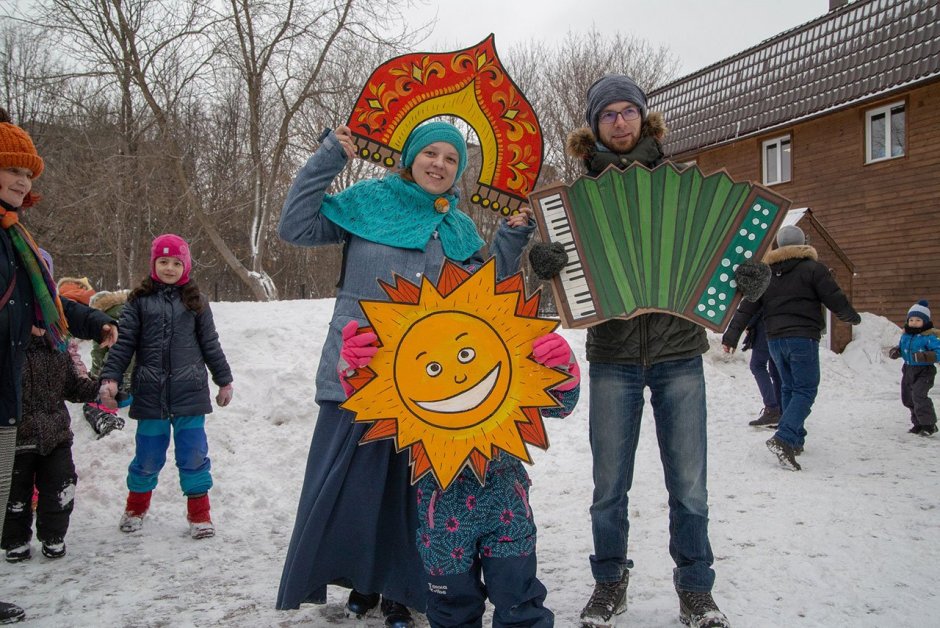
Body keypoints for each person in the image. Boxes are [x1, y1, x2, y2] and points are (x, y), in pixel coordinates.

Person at [276, 120, 535, 627]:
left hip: (424, 387)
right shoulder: (367, 202)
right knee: (349, 488)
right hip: (357, 372)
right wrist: (330, 157)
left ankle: (399, 591)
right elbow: (295, 226)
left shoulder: (457, 227)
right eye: (431, 153)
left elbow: (487, 289)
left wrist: (511, 237)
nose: (439, 164)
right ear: (412, 155)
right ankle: (361, 579)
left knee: (414, 495)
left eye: (451, 159)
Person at [540, 75, 729, 628]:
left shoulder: (683, 184)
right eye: (608, 114)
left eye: (629, 112)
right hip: (613, 359)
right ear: (594, 126)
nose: (620, 122)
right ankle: (609, 584)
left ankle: (696, 589)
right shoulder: (573, 203)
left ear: (644, 119)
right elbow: (560, 278)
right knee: (608, 486)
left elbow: (718, 252)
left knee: (689, 485)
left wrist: (745, 280)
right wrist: (544, 265)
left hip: (680, 354)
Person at [0, 107, 117, 624]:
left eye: (28, 173)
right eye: (13, 170)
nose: (23, 181)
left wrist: (93, 321)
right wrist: (16, 327)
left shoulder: (18, 239)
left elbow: (48, 300)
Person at [98, 234, 234, 539]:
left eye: (176, 262)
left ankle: (200, 515)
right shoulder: (138, 302)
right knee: (147, 456)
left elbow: (210, 344)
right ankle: (135, 508)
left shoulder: (196, 301)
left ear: (185, 265)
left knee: (194, 455)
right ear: (153, 263)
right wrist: (110, 379)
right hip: (150, 395)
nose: (169, 268)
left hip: (190, 394)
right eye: (163, 261)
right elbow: (124, 346)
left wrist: (223, 380)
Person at [721, 225, 861, 471]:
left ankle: (794, 439)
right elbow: (834, 297)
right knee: (805, 389)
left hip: (775, 339)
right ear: (803, 243)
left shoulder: (766, 274)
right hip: (802, 337)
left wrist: (730, 336)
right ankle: (784, 438)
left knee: (788, 387)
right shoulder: (813, 269)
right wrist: (850, 317)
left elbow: (747, 307)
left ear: (778, 245)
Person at [1, 320, 100, 562]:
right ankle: (15, 540)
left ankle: (53, 536)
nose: (40, 326)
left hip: (55, 435)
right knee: (15, 493)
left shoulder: (56, 349)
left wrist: (102, 388)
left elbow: (73, 387)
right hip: (16, 436)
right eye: (33, 320)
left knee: (61, 486)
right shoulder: (8, 351)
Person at [83, 289, 132, 438]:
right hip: (144, 380)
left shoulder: (103, 322)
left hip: (121, 383)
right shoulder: (129, 313)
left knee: (90, 402)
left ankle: (105, 420)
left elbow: (99, 353)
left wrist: (94, 376)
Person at [722, 309, 782, 427]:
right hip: (784, 326)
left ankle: (773, 408)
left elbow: (755, 305)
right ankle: (781, 409)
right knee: (776, 368)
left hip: (766, 325)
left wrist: (750, 323)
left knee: (757, 365)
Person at [888, 300, 940, 436]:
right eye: (911, 320)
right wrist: (896, 352)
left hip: (925, 371)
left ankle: (929, 425)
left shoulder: (929, 337)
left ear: (925, 321)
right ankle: (918, 423)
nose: (914, 322)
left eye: (918, 320)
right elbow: (902, 348)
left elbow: (938, 352)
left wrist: (924, 356)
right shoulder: (906, 336)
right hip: (908, 370)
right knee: (908, 398)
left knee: (919, 395)